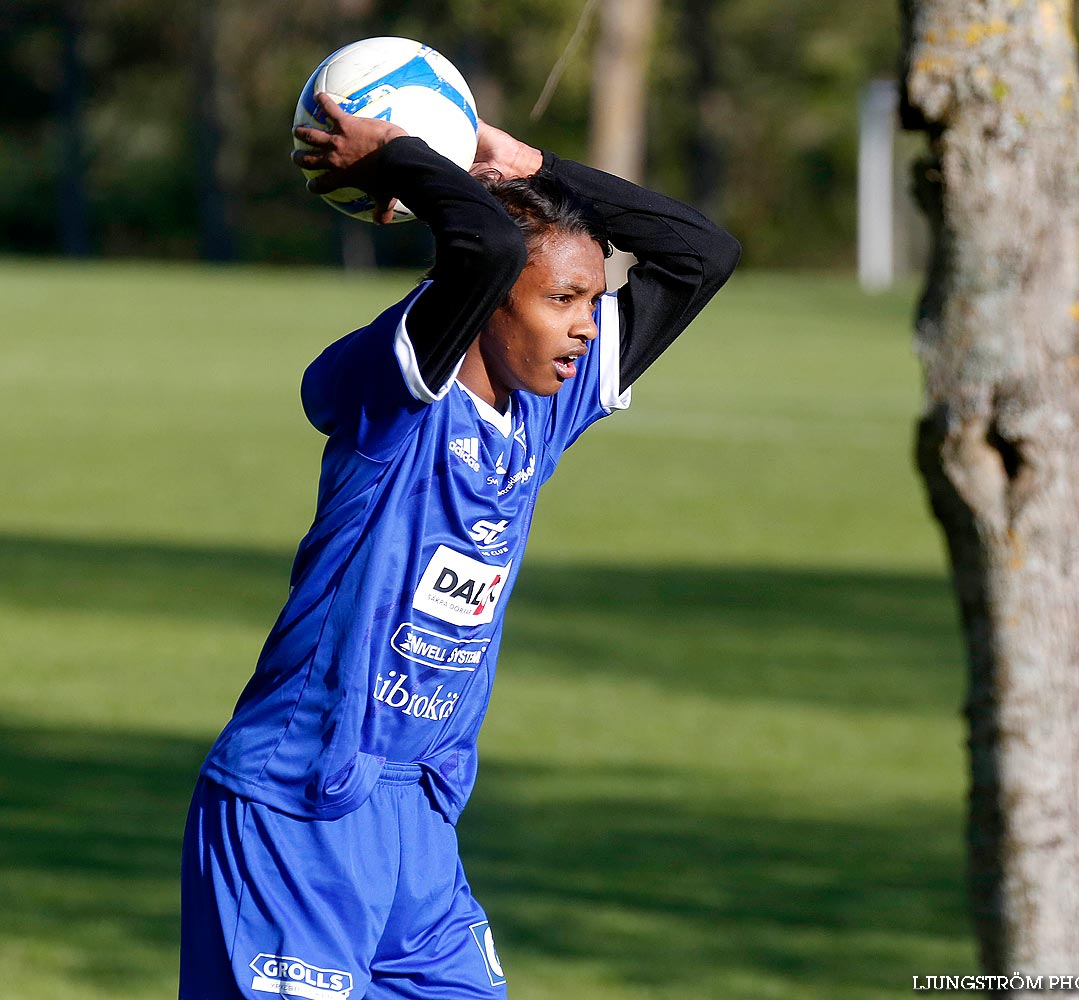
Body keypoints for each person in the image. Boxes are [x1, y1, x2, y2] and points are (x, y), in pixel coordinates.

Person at [179, 92, 740, 1000]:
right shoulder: (395, 401)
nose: (588, 326)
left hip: (421, 821)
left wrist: (536, 170)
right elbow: (476, 249)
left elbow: (702, 254)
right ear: (482, 305)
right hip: (301, 800)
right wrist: (399, 152)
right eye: (562, 299)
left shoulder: (544, 412)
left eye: (591, 301)